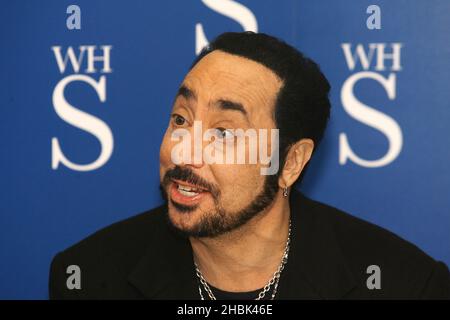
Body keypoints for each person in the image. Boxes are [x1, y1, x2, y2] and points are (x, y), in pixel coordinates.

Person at [49, 32, 450, 299]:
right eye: (181, 120)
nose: (185, 152)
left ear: (290, 162)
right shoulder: (90, 277)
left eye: (224, 132)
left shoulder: (404, 285)